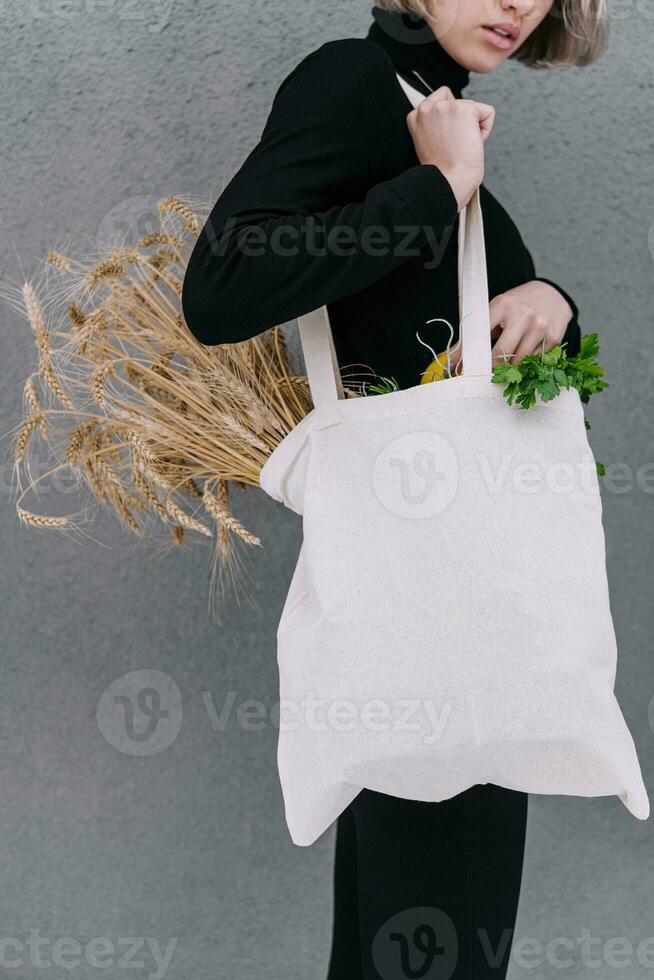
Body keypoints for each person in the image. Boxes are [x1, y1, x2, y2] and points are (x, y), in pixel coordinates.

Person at [182, 1, 607, 976]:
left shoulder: (420, 103)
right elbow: (224, 284)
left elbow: (456, 356)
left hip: (463, 623)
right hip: (442, 623)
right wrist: (444, 182)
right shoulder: (351, 82)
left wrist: (555, 304)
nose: (518, 4)